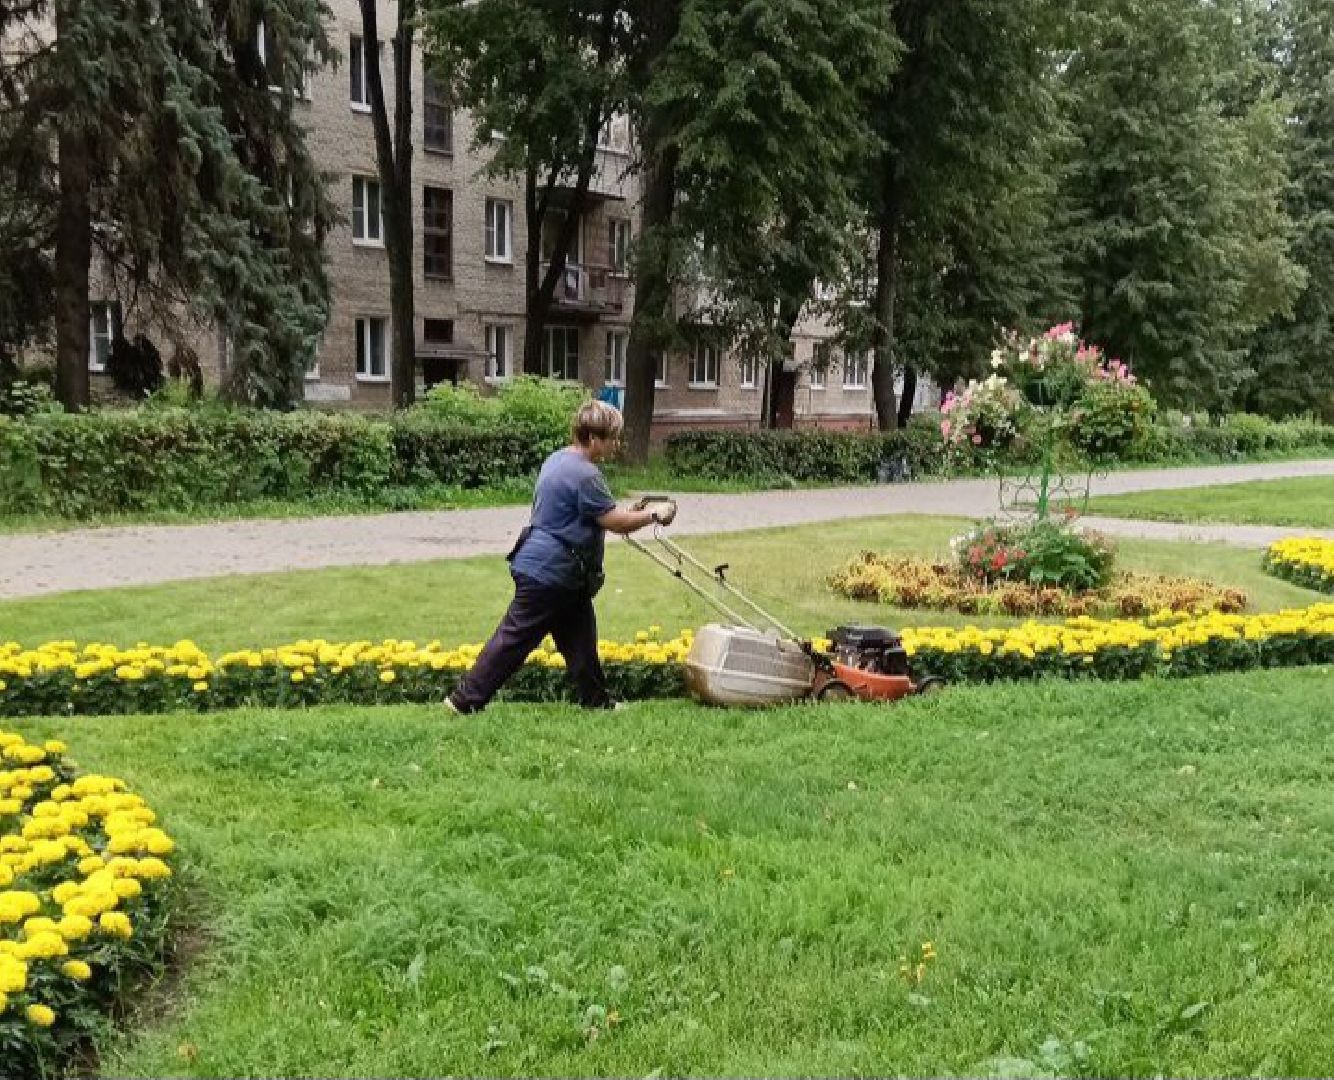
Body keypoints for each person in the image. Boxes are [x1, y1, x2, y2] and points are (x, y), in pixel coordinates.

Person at [445, 399, 675, 714]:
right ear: (593, 438)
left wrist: (628, 513)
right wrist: (654, 514)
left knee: (580, 639)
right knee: (514, 640)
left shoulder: (558, 460)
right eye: (612, 438)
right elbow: (614, 522)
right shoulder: (585, 474)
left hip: (560, 572)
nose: (616, 444)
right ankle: (463, 700)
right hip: (551, 573)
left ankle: (596, 702)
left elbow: (587, 513)